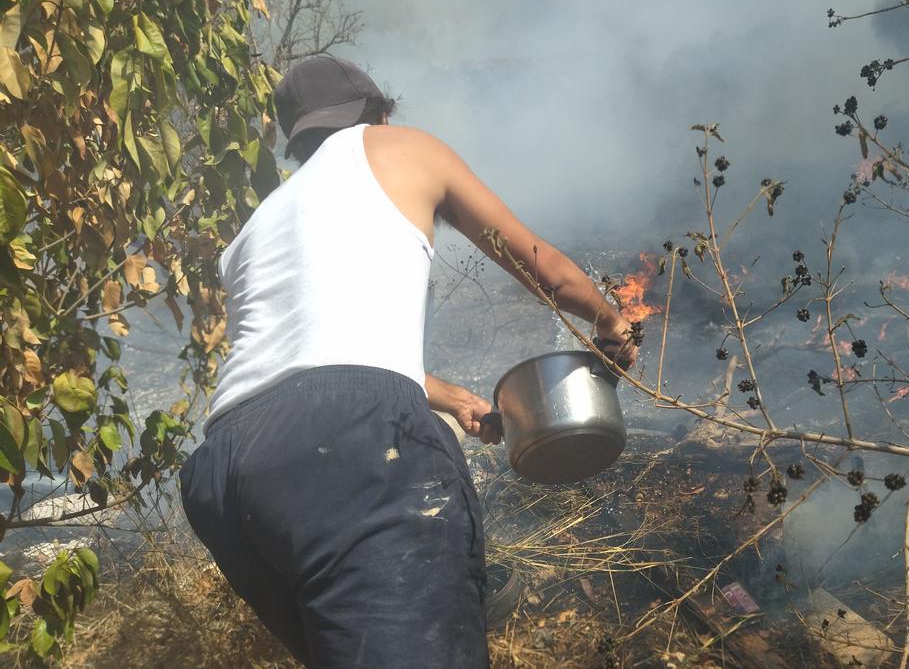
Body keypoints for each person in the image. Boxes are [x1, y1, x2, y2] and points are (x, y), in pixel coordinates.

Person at [179, 56, 636, 668]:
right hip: (351, 445)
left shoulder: (258, 226)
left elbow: (303, 365)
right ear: (381, 114)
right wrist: (608, 321)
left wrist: (449, 399)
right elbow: (542, 266)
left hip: (226, 473)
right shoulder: (402, 147)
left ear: (298, 141)